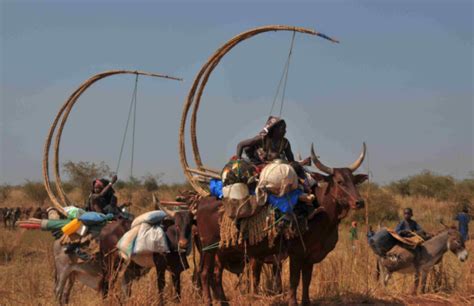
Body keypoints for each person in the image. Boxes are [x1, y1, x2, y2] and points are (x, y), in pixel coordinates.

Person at [236, 116, 311, 167]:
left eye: (285, 129)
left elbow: (291, 161)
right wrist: (238, 161)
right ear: (274, 129)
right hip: (258, 167)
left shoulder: (285, 143)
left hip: (277, 168)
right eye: (282, 129)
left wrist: (302, 163)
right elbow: (240, 145)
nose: (285, 131)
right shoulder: (262, 139)